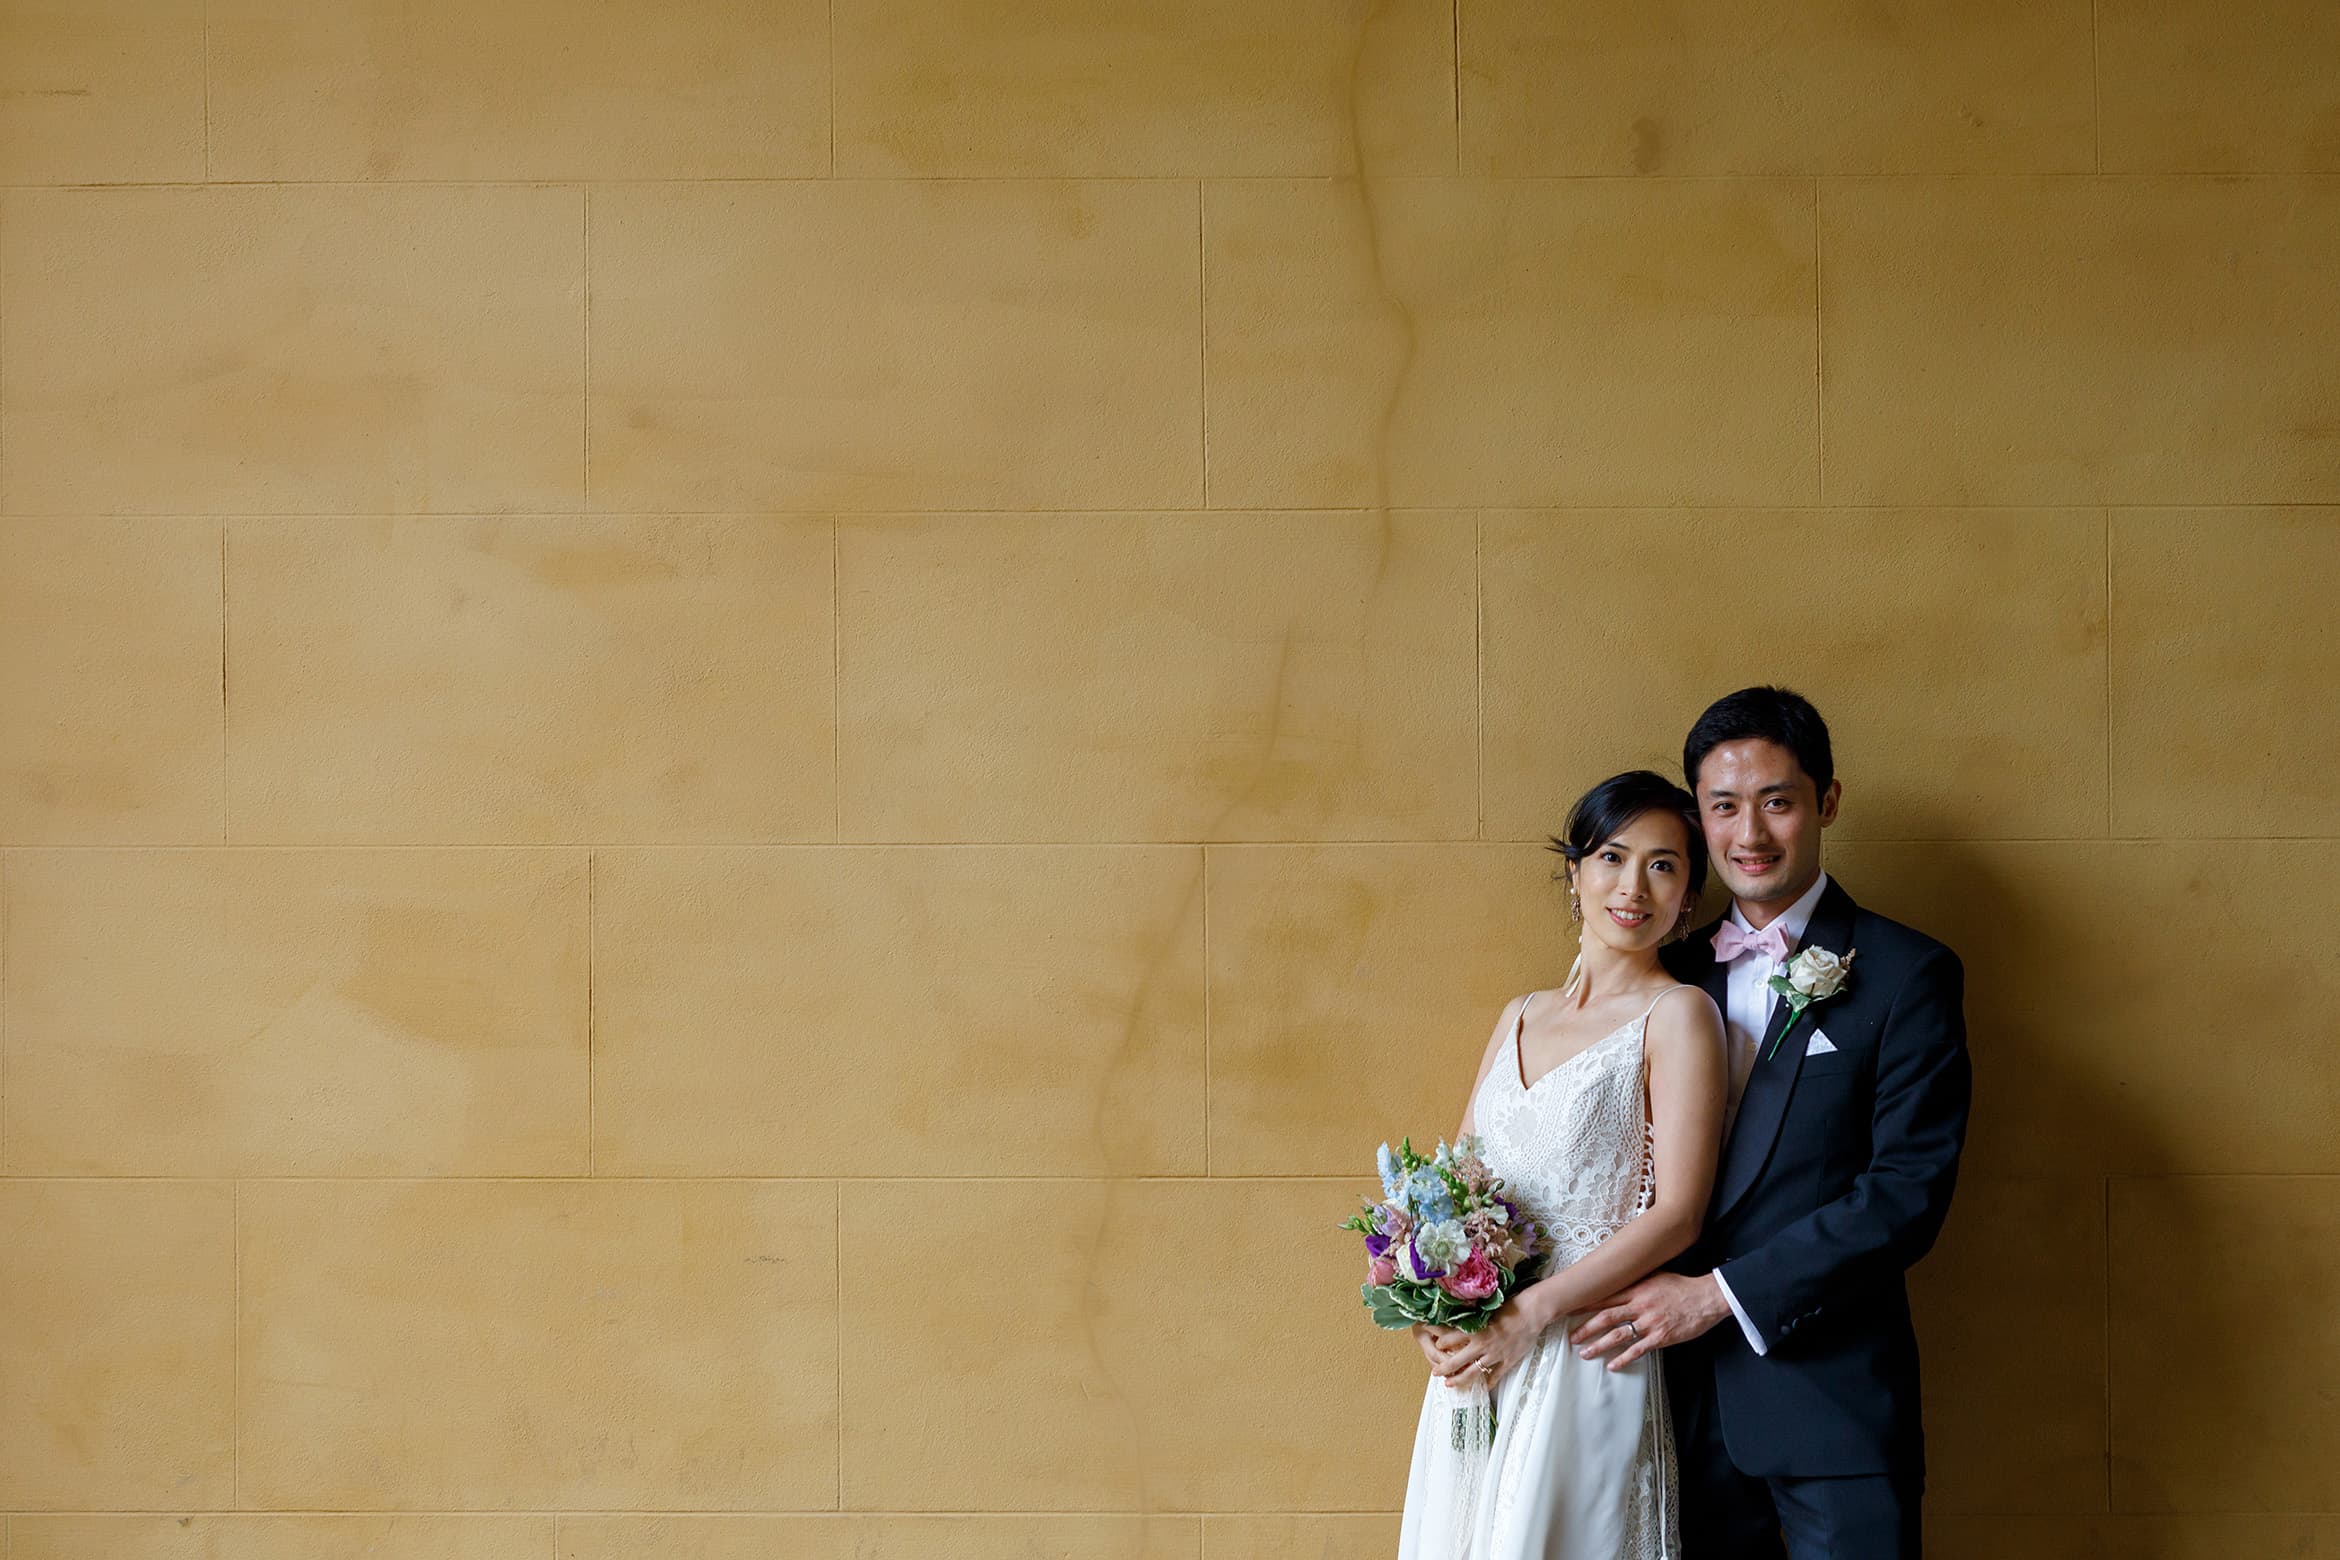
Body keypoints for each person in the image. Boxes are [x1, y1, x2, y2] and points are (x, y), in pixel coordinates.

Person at [1571, 687, 1972, 1559]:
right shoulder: (1664, 977)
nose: (1749, 835)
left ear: (1826, 803)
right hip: (1662, 1411)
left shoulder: (1909, 973)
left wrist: (1715, 1297)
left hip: (1833, 1413)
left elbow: (1905, 1196)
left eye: (1778, 803)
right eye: (1724, 807)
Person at [1395, 770, 1728, 1560]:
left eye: (1664, 864)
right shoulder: (1520, 1013)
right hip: (1479, 1354)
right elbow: (1452, 1187)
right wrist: (1433, 1314)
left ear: (1686, 898)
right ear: (1573, 873)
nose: (1633, 887)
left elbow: (1678, 1213)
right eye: (1612, 857)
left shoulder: (1679, 1016)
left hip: (1582, 1348)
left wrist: (1533, 1316)